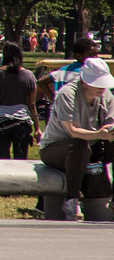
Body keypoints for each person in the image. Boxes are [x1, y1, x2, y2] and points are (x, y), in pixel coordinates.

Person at [39, 56, 114, 220]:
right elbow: (73, 131)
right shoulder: (67, 94)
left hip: (92, 144)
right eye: (98, 84)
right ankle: (72, 199)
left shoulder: (106, 95)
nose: (102, 88)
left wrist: (108, 131)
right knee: (79, 145)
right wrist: (99, 134)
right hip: (57, 147)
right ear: (85, 82)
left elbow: (110, 122)